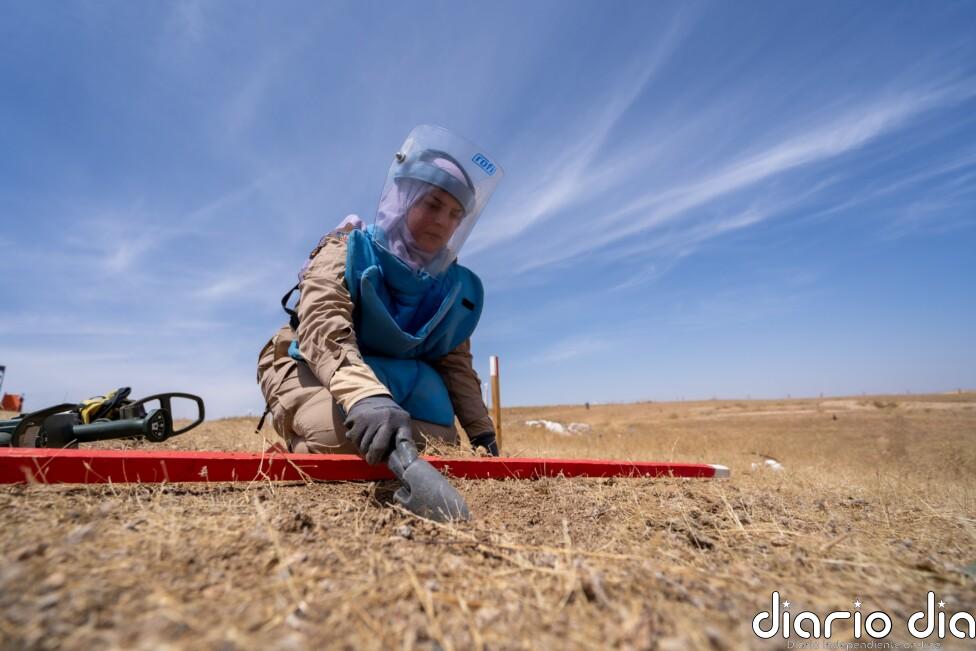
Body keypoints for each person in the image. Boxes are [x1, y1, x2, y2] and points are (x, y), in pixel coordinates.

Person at [257, 125, 502, 465]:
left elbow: (454, 362)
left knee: (442, 447)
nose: (443, 222)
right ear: (403, 196)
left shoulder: (447, 287)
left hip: (395, 373)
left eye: (455, 215)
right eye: (433, 204)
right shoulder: (346, 248)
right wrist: (365, 397)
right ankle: (297, 443)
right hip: (313, 360)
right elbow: (322, 327)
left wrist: (481, 434)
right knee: (338, 439)